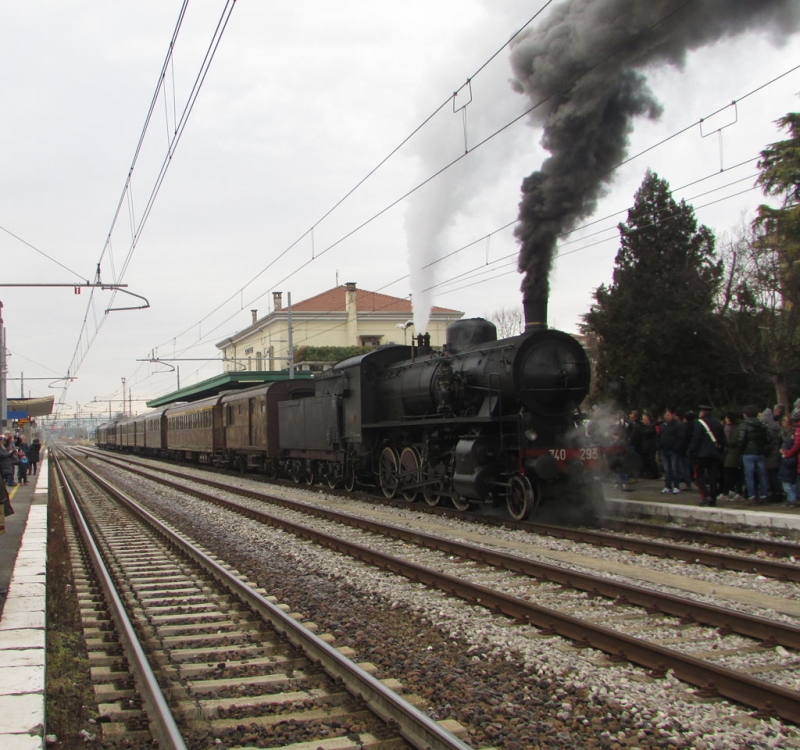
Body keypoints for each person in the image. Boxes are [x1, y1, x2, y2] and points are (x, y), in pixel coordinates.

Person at [689, 404, 726, 507]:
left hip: (702, 454)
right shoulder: (718, 424)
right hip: (715, 454)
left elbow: (696, 439)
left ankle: (705, 495)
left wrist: (691, 451)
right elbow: (723, 440)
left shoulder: (699, 423)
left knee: (698, 475)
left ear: (702, 413)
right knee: (713, 477)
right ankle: (713, 499)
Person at [739, 405, 771, 506]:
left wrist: (741, 450)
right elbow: (768, 439)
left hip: (748, 452)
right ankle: (764, 495)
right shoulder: (762, 425)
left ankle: (752, 496)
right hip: (760, 452)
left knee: (750, 476)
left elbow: (741, 440)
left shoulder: (744, 425)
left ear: (745, 414)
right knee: (762, 475)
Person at [658, 407, 683, 495]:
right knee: (667, 470)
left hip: (673, 450)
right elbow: (659, 436)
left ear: (672, 415)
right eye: (666, 415)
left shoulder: (677, 425)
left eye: (669, 415)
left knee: (674, 469)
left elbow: (680, 438)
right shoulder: (662, 426)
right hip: (664, 450)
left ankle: (676, 486)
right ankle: (667, 486)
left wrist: (676, 447)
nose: (667, 416)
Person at [761, 408, 783, 503]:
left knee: (772, 475)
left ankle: (776, 493)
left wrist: (765, 451)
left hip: (770, 455)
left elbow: (768, 443)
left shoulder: (768, 428)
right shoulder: (776, 426)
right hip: (776, 453)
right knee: (774, 474)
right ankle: (777, 492)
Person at [778, 411, 799, 508]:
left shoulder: (794, 433)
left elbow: (796, 446)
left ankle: (793, 499)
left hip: (790, 459)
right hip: (791, 459)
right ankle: (792, 499)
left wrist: (787, 454)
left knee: (789, 484)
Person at [722, 412, 744, 500]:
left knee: (730, 473)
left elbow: (734, 441)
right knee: (730, 473)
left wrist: (724, 442)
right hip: (729, 453)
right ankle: (731, 490)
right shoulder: (728, 428)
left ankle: (729, 491)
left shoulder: (736, 428)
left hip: (734, 453)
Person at [639, 411, 659, 480]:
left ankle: (655, 473)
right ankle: (649, 472)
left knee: (652, 460)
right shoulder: (644, 426)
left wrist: (639, 430)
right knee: (646, 461)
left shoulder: (652, 426)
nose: (643, 420)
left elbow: (647, 433)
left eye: (644, 418)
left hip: (651, 446)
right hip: (645, 447)